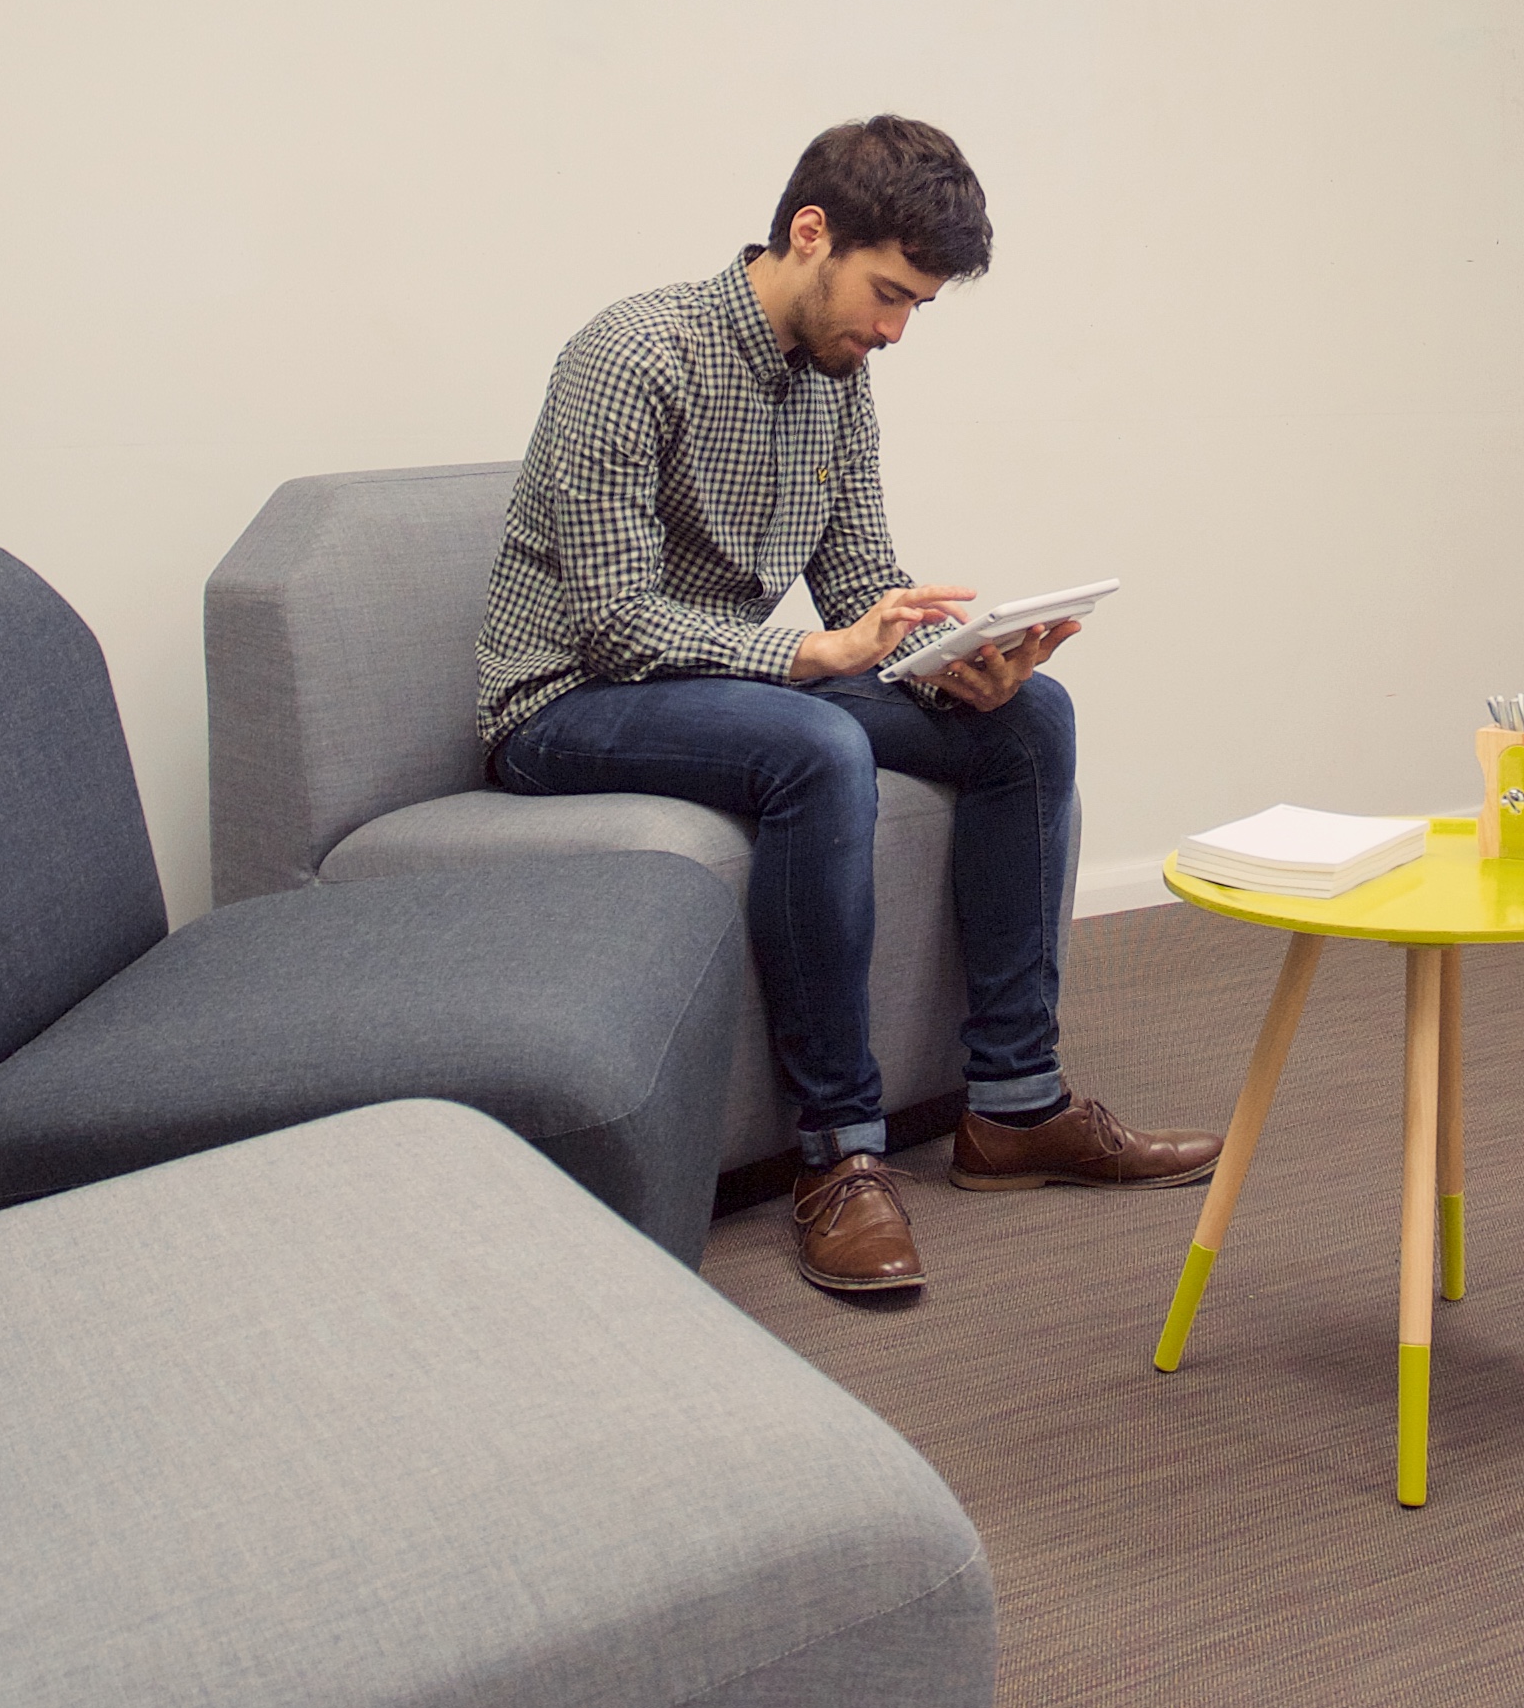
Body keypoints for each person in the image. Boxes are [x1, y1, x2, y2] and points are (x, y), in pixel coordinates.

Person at [479, 114, 1216, 1298]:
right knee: (817, 744)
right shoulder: (630, 356)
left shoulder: (837, 377)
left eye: (915, 305)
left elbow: (864, 580)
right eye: (886, 293)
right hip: (567, 698)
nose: (892, 329)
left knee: (1030, 722)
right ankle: (838, 1155)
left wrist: (952, 658)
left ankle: (1015, 1107)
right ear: (808, 233)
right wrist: (817, 656)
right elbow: (614, 620)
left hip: (724, 682)